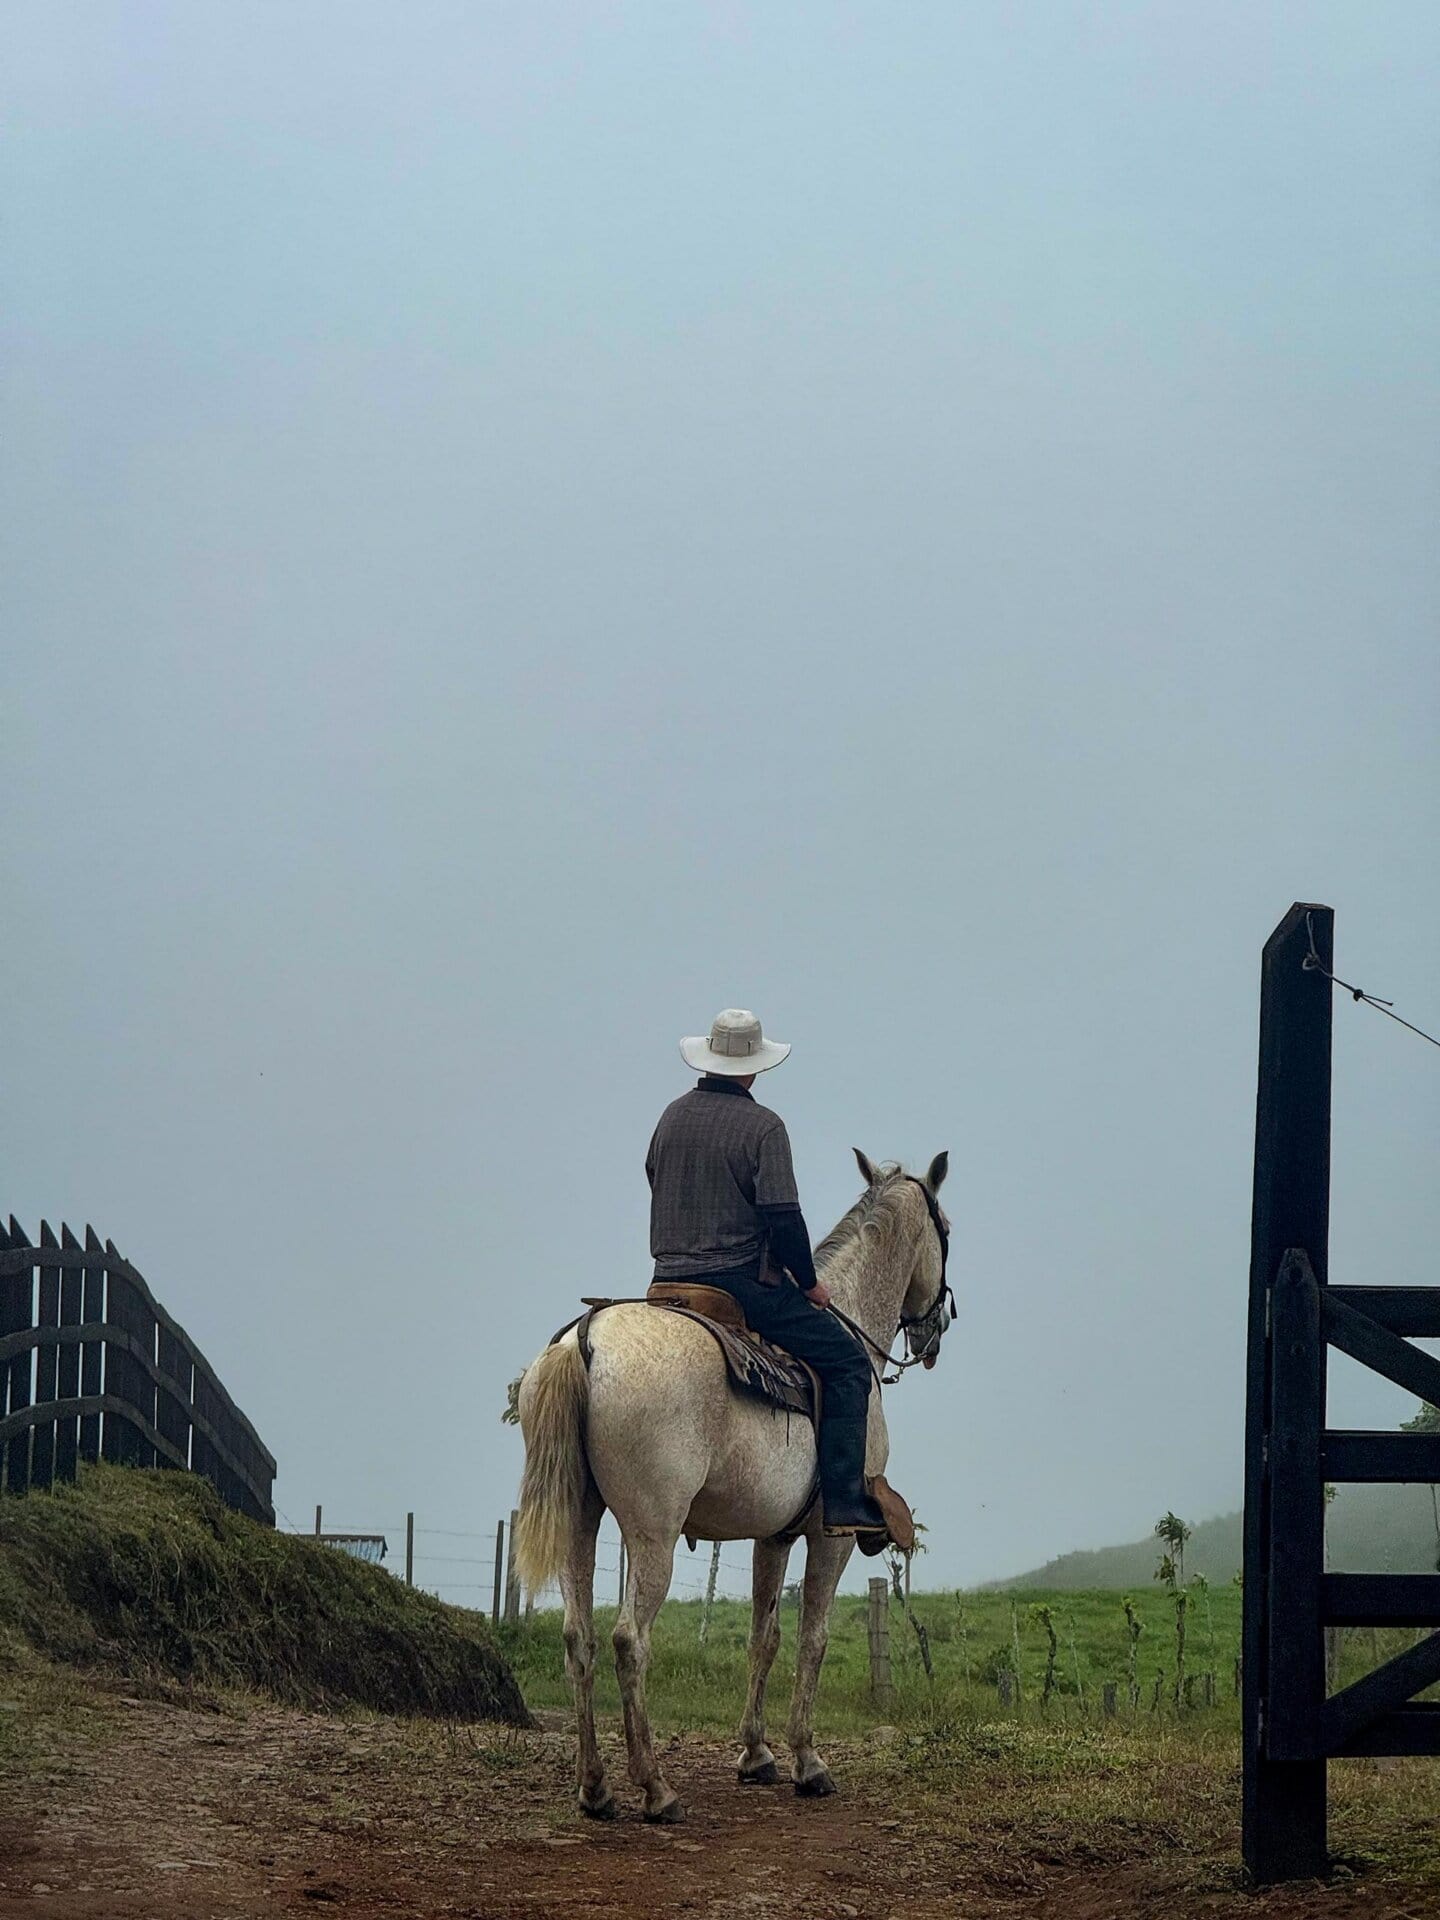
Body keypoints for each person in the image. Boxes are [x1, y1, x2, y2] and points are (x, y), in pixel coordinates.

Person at [645, 1007, 886, 1536]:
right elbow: (783, 1219)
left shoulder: (670, 1116)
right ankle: (844, 1502)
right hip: (737, 1285)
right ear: (753, 1068)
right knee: (847, 1363)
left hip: (666, 1282)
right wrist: (810, 1281)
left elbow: (654, 1179)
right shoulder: (764, 1127)